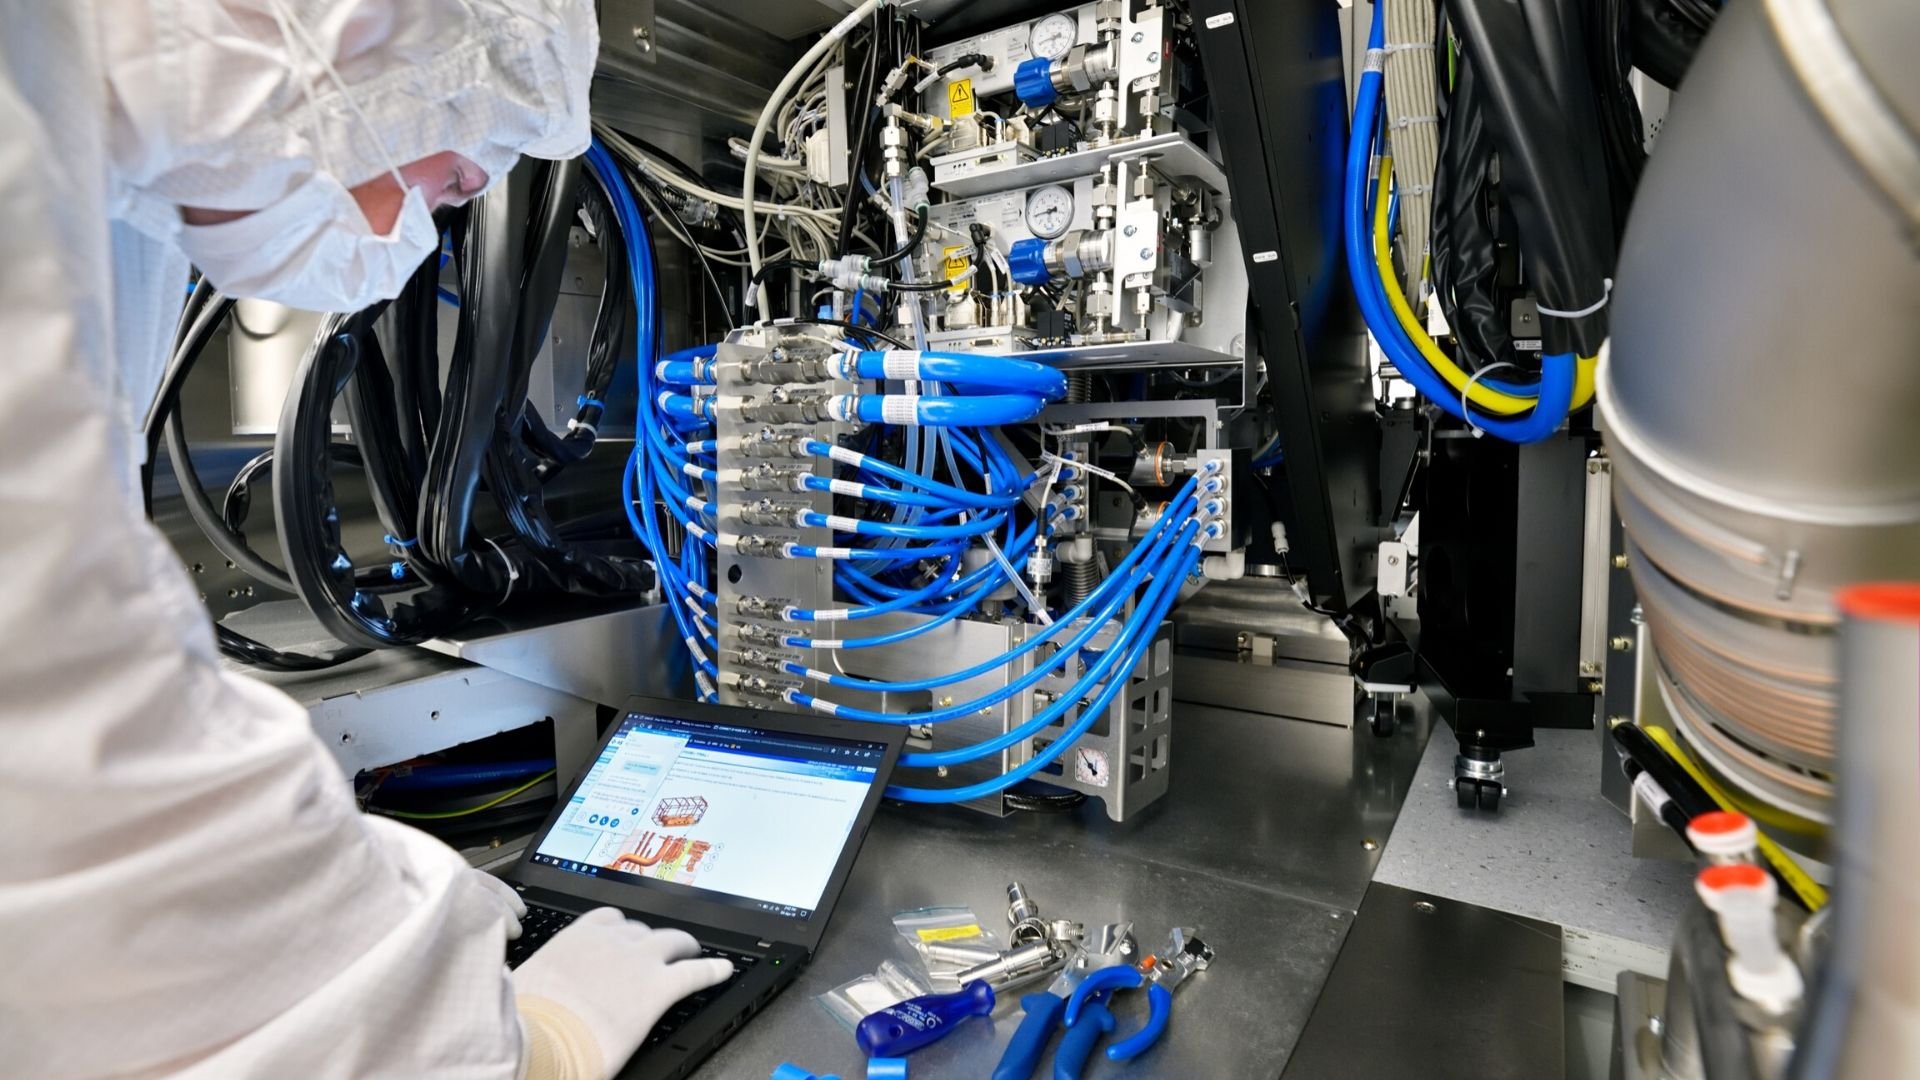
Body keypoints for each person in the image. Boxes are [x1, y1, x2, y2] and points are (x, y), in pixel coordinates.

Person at [0, 2, 731, 1077]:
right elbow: (73, 797)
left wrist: (372, 898)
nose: (464, 197)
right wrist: (525, 1042)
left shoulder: (90, 174)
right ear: (336, 29)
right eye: (474, 145)